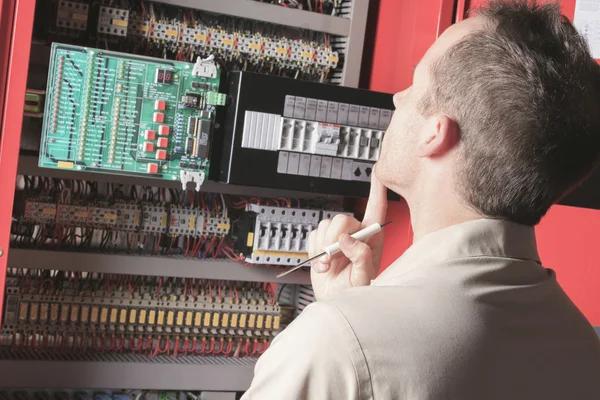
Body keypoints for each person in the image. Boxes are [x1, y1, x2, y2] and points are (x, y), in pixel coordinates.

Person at [242, 1, 600, 399]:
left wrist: (345, 325)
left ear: (434, 135)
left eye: (415, 84)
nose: (397, 98)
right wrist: (351, 308)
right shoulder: (584, 350)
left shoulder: (332, 348)